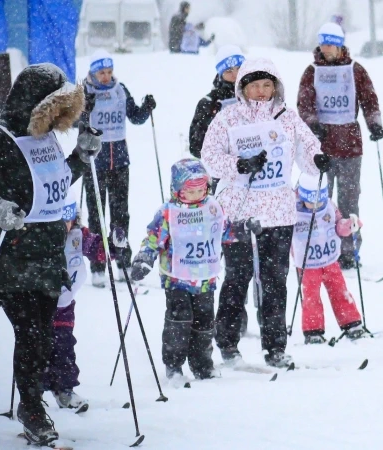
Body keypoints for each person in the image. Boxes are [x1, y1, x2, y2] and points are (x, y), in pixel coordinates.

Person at [0, 63, 99, 445]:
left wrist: (80, 160)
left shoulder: (47, 136)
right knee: (32, 332)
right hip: (12, 252)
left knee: (44, 333)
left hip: (47, 251)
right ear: (36, 103)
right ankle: (32, 407)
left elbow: (51, 183)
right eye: (53, 108)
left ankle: (31, 397)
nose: (58, 117)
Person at [201, 57, 327, 368]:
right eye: (255, 85)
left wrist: (318, 159)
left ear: (276, 87)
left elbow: (308, 146)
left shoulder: (287, 117)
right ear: (242, 87)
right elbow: (209, 157)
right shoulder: (227, 119)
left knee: (274, 282)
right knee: (237, 278)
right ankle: (228, 342)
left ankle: (275, 347)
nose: (261, 91)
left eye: (267, 85)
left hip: (278, 213)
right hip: (240, 212)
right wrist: (239, 165)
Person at [296, 23, 383, 270]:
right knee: (319, 200)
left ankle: (349, 249)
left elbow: (369, 99)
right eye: (323, 44)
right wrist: (313, 124)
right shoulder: (311, 71)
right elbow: (304, 104)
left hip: (350, 145)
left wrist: (374, 124)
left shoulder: (355, 70)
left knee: (348, 201)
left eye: (332, 44)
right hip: (321, 147)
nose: (327, 49)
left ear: (340, 45)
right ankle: (319, 247)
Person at [130, 159, 224, 382]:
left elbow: (224, 230)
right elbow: (153, 239)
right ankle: (174, 366)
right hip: (177, 278)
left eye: (202, 189)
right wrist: (144, 258)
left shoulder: (212, 207)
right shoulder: (168, 212)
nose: (198, 194)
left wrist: (244, 227)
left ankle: (202, 365)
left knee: (204, 323)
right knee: (178, 322)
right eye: (192, 191)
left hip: (204, 278)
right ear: (178, 189)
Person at [82, 50, 155, 286]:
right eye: (101, 72)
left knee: (121, 214)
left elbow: (134, 116)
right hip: (94, 160)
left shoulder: (120, 89)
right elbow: (72, 121)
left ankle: (122, 259)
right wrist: (85, 110)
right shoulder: (84, 91)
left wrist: (146, 108)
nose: (106, 76)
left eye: (109, 71)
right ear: (93, 73)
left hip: (120, 161)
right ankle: (97, 264)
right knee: (97, 214)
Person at [43, 199, 109, 411]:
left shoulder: (79, 236)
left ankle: (65, 390)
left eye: (68, 220)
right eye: (59, 220)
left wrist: (113, 245)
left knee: (64, 348)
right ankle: (33, 396)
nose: (64, 226)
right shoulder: (37, 236)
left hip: (64, 307)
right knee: (36, 349)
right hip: (38, 306)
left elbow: (98, 248)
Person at [292, 173, 367, 344]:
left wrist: (349, 226)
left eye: (320, 201)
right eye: (312, 202)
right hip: (308, 264)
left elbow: (338, 226)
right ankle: (313, 331)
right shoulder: (293, 210)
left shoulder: (329, 206)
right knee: (311, 296)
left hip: (330, 259)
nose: (316, 206)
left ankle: (351, 323)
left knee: (340, 290)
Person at [189, 45, 244, 195]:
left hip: (253, 170)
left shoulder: (256, 95)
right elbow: (195, 145)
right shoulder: (209, 103)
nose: (235, 75)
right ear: (220, 74)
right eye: (229, 71)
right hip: (221, 177)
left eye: (239, 68)